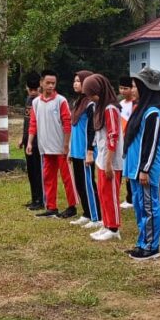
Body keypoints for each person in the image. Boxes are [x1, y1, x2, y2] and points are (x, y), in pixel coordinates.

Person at [123, 67, 160, 260]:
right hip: (135, 168)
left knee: (149, 207)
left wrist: (145, 169)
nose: (132, 90)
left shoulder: (153, 113)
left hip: (145, 170)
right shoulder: (141, 109)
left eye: (134, 86)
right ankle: (142, 242)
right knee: (140, 206)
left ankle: (151, 246)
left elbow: (151, 143)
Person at [27, 69, 78, 219]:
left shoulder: (61, 101)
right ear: (41, 83)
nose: (50, 86)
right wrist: (30, 142)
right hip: (45, 147)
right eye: (48, 83)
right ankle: (51, 206)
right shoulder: (36, 103)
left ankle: (72, 206)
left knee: (67, 177)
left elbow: (67, 123)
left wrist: (66, 144)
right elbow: (33, 123)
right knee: (48, 178)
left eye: (53, 83)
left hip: (61, 147)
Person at [82, 74, 124, 242]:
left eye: (92, 94)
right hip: (102, 157)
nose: (91, 98)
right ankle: (106, 224)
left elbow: (113, 136)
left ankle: (114, 228)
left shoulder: (110, 109)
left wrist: (108, 163)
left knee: (111, 193)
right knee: (103, 193)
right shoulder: (99, 107)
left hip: (111, 160)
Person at [69, 70, 101, 227]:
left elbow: (92, 129)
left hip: (85, 152)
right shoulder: (78, 102)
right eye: (74, 81)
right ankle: (87, 213)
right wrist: (70, 150)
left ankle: (97, 217)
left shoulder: (90, 104)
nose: (75, 83)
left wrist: (89, 151)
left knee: (89, 184)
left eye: (78, 81)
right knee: (80, 183)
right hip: (76, 151)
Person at [21, 72, 45, 211]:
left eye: (35, 90)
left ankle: (40, 199)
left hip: (38, 143)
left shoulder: (40, 101)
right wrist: (22, 139)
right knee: (31, 171)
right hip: (28, 142)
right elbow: (26, 122)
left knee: (38, 172)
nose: (33, 93)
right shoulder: (28, 100)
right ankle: (34, 197)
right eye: (31, 90)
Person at [118, 77, 136, 209]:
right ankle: (129, 197)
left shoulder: (134, 104)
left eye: (126, 88)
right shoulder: (120, 104)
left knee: (131, 168)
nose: (123, 91)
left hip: (130, 140)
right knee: (123, 169)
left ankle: (131, 197)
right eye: (121, 88)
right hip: (121, 141)